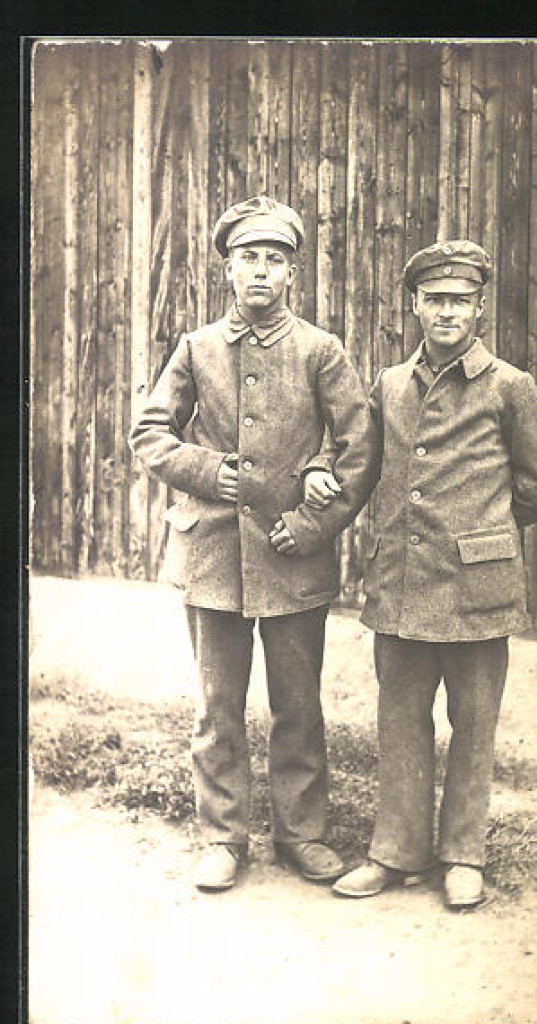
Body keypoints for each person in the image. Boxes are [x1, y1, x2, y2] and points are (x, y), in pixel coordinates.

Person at [308, 239, 537, 910]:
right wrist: (317, 471)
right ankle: (396, 852)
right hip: (400, 586)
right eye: (434, 300)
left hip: (477, 591)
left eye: (459, 300)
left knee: (474, 722)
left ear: (479, 308)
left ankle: (463, 855)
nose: (446, 312)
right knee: (400, 721)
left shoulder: (512, 387)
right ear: (416, 305)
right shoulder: (391, 385)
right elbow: (355, 461)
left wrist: (484, 535)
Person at [129, 195, 376, 892]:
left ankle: (302, 835)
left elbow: (359, 448)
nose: (260, 272)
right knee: (217, 705)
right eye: (248, 259)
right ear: (228, 269)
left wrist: (312, 523)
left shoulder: (321, 351)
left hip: (293, 555)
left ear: (294, 272)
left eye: (274, 260)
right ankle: (222, 837)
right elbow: (150, 434)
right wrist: (209, 473)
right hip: (212, 555)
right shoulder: (196, 348)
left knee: (299, 703)